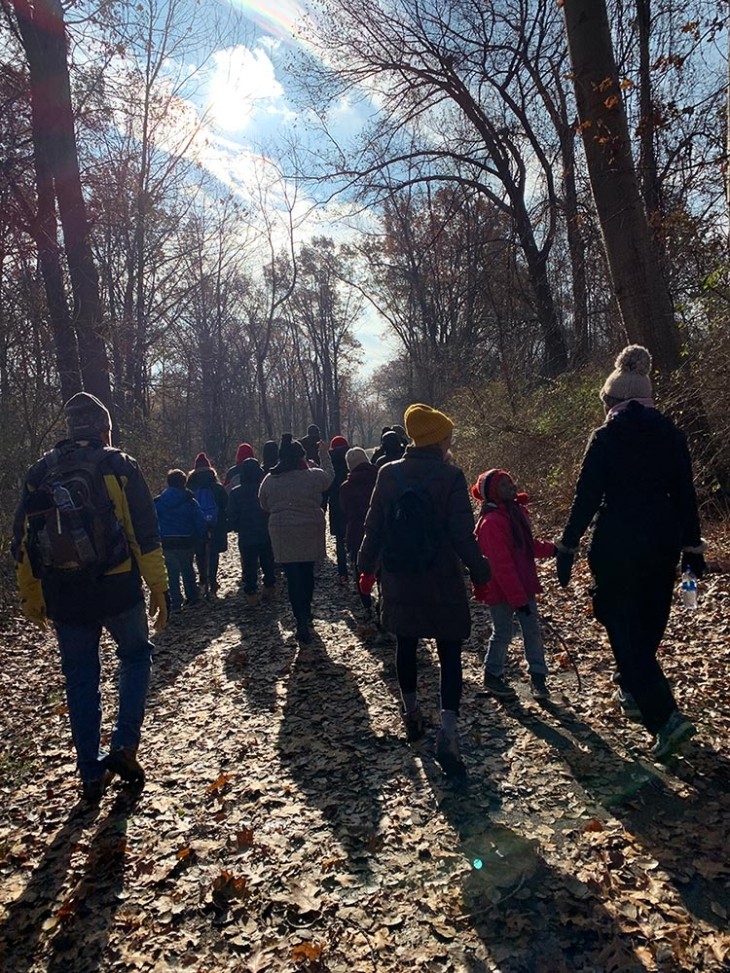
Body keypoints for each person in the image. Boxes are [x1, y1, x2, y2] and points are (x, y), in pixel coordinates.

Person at [12, 392, 170, 802]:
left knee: (81, 679)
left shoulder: (39, 473)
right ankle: (124, 744)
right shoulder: (119, 465)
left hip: (64, 593)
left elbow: (23, 541)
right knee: (135, 656)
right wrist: (158, 586)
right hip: (117, 587)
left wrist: (32, 594)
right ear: (104, 430)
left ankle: (89, 771)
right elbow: (144, 533)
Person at [556, 346, 706, 761]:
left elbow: (586, 496)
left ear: (615, 401)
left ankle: (665, 717)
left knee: (622, 626)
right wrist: (692, 548)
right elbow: (686, 495)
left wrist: (567, 546)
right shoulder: (672, 435)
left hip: (617, 542)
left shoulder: (606, 437)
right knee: (649, 619)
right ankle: (633, 689)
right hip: (663, 542)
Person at [358, 403, 490, 779]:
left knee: (407, 646)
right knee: (449, 654)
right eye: (448, 436)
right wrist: (481, 573)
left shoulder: (387, 474)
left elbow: (374, 528)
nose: (451, 442)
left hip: (399, 577)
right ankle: (448, 732)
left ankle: (411, 712)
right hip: (442, 578)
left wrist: (365, 569)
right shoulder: (449, 477)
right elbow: (462, 536)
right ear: (438, 440)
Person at [471, 469, 556, 701]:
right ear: (491, 493)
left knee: (532, 632)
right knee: (502, 632)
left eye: (510, 482)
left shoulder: (517, 513)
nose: (510, 486)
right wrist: (518, 600)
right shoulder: (490, 523)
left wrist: (553, 549)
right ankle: (492, 674)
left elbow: (528, 546)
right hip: (500, 590)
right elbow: (501, 567)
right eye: (503, 484)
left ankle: (538, 678)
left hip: (524, 585)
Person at [259, 433, 334, 643]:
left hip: (282, 532)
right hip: (310, 528)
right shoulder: (312, 476)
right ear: (300, 457)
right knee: (307, 572)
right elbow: (330, 477)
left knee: (292, 576)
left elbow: (263, 503)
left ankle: (299, 618)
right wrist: (324, 453)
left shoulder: (270, 479)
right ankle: (307, 611)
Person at [154, 469, 207, 612]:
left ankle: (175, 601)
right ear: (183, 482)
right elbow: (199, 520)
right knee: (188, 569)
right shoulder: (190, 500)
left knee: (172, 573)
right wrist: (202, 537)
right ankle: (192, 597)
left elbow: (153, 521)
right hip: (186, 540)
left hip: (167, 542)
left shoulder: (158, 501)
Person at [227, 456, 276, 606]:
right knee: (268, 562)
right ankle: (269, 586)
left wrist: (237, 527)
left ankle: (251, 593)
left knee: (249, 565)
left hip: (246, 534)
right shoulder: (264, 489)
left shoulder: (235, 493)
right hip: (265, 532)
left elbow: (231, 514)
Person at [339, 446, 378, 607]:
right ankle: (382, 601)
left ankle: (366, 602)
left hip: (356, 530)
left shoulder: (346, 487)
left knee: (359, 566)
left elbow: (345, 510)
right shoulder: (380, 478)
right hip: (378, 528)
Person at [186, 452, 228, 597]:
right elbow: (224, 504)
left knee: (200, 553)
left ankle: (203, 580)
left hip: (197, 524)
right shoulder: (216, 486)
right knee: (213, 553)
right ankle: (213, 582)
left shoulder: (190, 485)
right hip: (215, 524)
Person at [324, 435, 350, 583]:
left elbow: (325, 488)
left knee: (339, 540)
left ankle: (342, 574)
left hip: (336, 505)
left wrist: (322, 507)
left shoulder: (330, 462)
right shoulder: (350, 458)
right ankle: (358, 568)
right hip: (352, 505)